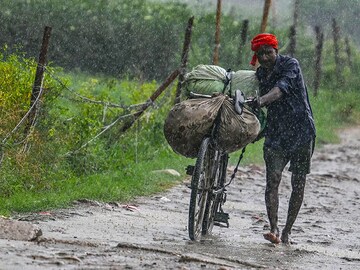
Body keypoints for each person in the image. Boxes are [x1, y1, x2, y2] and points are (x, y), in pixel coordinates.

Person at [248, 33, 316, 244]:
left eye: (269, 52)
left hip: (301, 132)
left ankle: (287, 230)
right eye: (261, 54)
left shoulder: (291, 65)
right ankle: (274, 227)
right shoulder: (260, 74)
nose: (265, 57)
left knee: (298, 183)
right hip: (276, 133)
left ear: (277, 51)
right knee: (272, 180)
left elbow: (279, 91)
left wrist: (259, 101)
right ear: (256, 56)